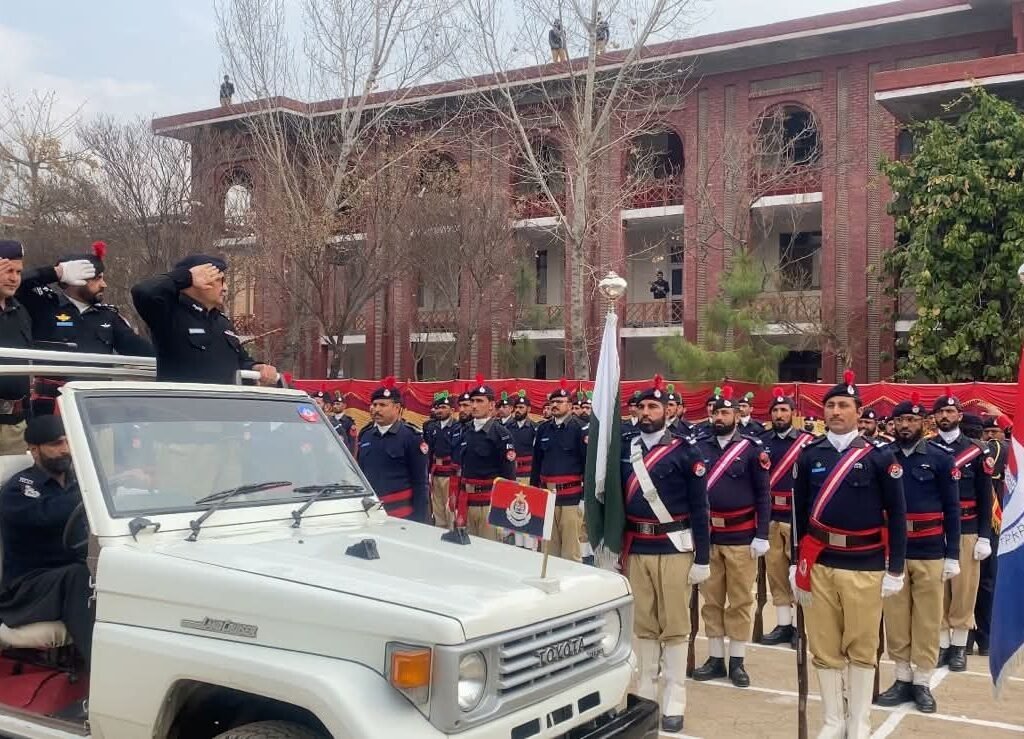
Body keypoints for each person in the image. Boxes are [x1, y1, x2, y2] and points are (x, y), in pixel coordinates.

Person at [791, 370, 906, 739]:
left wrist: (896, 568)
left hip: (864, 565)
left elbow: (897, 514)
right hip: (820, 563)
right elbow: (798, 514)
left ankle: (858, 720)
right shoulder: (810, 455)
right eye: (830, 405)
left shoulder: (880, 456)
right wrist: (795, 563)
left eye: (843, 405)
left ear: (859, 411)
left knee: (861, 646)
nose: (836, 411)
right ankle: (833, 719)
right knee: (824, 645)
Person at [621, 375, 710, 734]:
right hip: (637, 547)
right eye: (642, 406)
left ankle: (674, 696)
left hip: (673, 548)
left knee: (674, 625)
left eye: (653, 406)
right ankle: (646, 691)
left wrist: (703, 558)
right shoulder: (625, 448)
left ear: (667, 412)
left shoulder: (687, 451)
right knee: (643, 623)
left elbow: (700, 508)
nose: (646, 412)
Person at [875, 394, 959, 714]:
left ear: (923, 423)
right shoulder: (884, 457)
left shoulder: (940, 458)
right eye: (900, 420)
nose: (905, 425)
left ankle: (922, 681)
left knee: (927, 617)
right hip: (894, 551)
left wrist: (953, 554)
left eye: (911, 420)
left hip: (930, 549)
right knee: (896, 616)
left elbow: (952, 508)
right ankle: (902, 678)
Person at [691, 386, 770, 688]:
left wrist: (762, 534)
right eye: (716, 412)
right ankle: (715, 658)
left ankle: (737, 660)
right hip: (709, 536)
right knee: (711, 600)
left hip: (741, 537)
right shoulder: (700, 446)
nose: (719, 417)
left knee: (739, 600)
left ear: (737, 416)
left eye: (725, 412)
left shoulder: (751, 449)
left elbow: (763, 494)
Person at [0, 416, 94, 665]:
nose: (65, 449)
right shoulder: (18, 489)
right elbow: (47, 514)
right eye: (56, 443)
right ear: (34, 450)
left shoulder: (79, 483)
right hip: (27, 588)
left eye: (68, 441)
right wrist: (95, 493)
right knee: (80, 576)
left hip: (67, 577)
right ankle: (100, 668)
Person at [17, 241, 153, 413]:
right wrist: (56, 273)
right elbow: (14, 283)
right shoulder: (44, 304)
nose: (104, 285)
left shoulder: (108, 316)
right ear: (74, 280)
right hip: (50, 407)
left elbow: (141, 350)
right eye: (96, 278)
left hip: (95, 407)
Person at [131, 255, 278, 386]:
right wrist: (186, 276)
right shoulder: (169, 314)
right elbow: (143, 291)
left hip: (223, 404)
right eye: (218, 280)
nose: (225, 288)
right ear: (195, 282)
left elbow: (238, 362)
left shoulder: (222, 322)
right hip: (184, 404)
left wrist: (257, 368)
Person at [929, 395, 993, 671]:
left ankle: (959, 647)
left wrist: (984, 536)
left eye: (950, 411)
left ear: (959, 415)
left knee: (964, 589)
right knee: (937, 589)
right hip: (934, 529)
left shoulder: (976, 451)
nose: (945, 416)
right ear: (934, 417)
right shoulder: (926, 449)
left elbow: (985, 496)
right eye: (940, 411)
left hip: (967, 529)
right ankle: (943, 646)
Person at [759, 387, 814, 646]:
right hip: (771, 515)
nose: (779, 414)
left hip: (796, 517)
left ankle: (802, 626)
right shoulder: (761, 442)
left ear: (793, 413)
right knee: (776, 571)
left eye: (784, 410)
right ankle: (783, 624)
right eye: (775, 410)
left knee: (799, 573)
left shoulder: (807, 442)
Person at [356, 377, 428, 522]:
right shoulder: (366, 435)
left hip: (401, 514)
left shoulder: (411, 437)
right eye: (374, 404)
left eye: (382, 405)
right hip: (371, 512)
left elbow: (420, 483)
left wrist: (419, 519)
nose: (376, 409)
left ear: (396, 408)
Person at [530, 380, 587, 561]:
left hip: (571, 498)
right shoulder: (543, 429)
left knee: (570, 552)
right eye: (552, 402)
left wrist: (584, 499)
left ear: (569, 406)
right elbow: (536, 463)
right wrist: (534, 493)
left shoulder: (580, 429)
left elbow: (587, 465)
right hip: (547, 497)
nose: (554, 405)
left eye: (559, 402)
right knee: (548, 551)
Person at [454, 376, 516, 539]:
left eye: (479, 401)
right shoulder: (465, 430)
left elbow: (508, 475)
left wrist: (505, 510)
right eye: (472, 401)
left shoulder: (501, 434)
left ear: (491, 405)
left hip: (488, 504)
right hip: (467, 502)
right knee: (466, 548)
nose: (474, 405)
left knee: (489, 549)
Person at [972, 414, 1008, 655]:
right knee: (974, 584)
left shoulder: (1000, 450)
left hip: (995, 524)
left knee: (985, 583)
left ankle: (984, 638)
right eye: (987, 432)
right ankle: (972, 639)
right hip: (979, 522)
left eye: (995, 432)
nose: (991, 437)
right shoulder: (981, 452)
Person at [0, 240, 33, 454]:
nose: (14, 279)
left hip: (15, 424)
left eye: (18, 272)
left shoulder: (20, 311)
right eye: (8, 271)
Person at [423, 391, 461, 528]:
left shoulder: (457, 427)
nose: (439, 410)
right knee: (437, 505)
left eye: (443, 407)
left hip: (450, 472)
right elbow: (429, 450)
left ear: (452, 410)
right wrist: (427, 470)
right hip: (435, 471)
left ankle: (451, 531)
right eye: (438, 408)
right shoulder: (432, 427)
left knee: (450, 506)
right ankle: (439, 530)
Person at [506, 391, 536, 484]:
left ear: (528, 409)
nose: (517, 410)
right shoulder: (507, 427)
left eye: (521, 407)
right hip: (510, 472)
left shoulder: (535, 428)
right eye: (516, 407)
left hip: (528, 473)